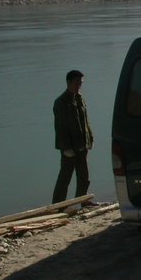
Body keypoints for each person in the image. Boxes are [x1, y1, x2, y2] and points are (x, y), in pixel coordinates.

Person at [52, 69, 95, 205]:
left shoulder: (80, 98)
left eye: (81, 83)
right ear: (69, 83)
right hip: (69, 147)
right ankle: (58, 206)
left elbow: (85, 121)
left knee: (84, 177)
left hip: (82, 145)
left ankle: (83, 201)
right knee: (65, 178)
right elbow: (60, 128)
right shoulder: (61, 102)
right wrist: (65, 148)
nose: (79, 86)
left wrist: (90, 138)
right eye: (76, 83)